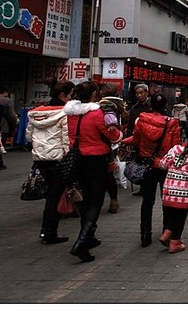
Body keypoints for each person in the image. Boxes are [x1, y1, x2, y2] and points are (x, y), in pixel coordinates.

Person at [64, 81, 123, 262]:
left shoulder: (71, 114)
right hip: (96, 160)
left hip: (78, 159)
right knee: (95, 202)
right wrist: (119, 133)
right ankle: (81, 243)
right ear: (93, 95)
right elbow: (113, 136)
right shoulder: (97, 114)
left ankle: (88, 237)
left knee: (87, 198)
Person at [122, 93, 180, 247]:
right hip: (164, 166)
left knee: (147, 202)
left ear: (151, 105)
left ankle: (145, 235)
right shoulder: (172, 123)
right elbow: (175, 147)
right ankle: (166, 232)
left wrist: (121, 140)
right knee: (166, 201)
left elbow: (136, 140)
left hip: (146, 166)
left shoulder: (142, 120)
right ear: (166, 106)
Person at [27, 80, 74, 244]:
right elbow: (66, 139)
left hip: (40, 158)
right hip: (58, 159)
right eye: (69, 95)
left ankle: (47, 232)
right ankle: (49, 232)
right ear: (62, 95)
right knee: (54, 197)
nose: (70, 99)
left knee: (51, 195)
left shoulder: (35, 113)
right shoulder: (64, 113)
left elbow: (28, 136)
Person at [158, 132, 188, 253]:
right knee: (180, 217)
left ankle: (167, 232)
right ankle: (175, 242)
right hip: (183, 193)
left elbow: (162, 164)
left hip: (168, 189)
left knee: (170, 213)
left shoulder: (175, 149)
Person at [98, 82, 126, 214]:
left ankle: (109, 200)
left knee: (106, 173)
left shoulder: (105, 104)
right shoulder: (118, 104)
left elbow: (109, 116)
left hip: (104, 140)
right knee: (108, 172)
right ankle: (113, 199)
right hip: (110, 143)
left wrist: (111, 124)